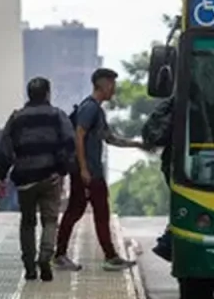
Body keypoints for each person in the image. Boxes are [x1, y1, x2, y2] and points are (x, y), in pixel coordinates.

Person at [54, 68, 143, 271]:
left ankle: (109, 256)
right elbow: (79, 135)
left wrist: (136, 144)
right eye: (112, 84)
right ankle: (62, 255)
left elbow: (110, 138)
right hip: (87, 172)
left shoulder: (97, 110)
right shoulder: (89, 108)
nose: (114, 89)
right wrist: (84, 169)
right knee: (78, 213)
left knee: (96, 212)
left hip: (91, 171)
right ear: (103, 85)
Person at [0, 77, 75, 282]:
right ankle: (45, 256)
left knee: (27, 222)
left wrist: (0, 175)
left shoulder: (17, 118)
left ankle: (29, 266)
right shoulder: (58, 115)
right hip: (50, 177)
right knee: (49, 220)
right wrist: (62, 169)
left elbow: (4, 148)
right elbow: (69, 143)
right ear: (48, 93)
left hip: (25, 179)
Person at [142, 96, 175, 261]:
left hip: (174, 163)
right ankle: (169, 241)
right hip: (180, 163)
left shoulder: (173, 102)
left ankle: (168, 241)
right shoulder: (185, 100)